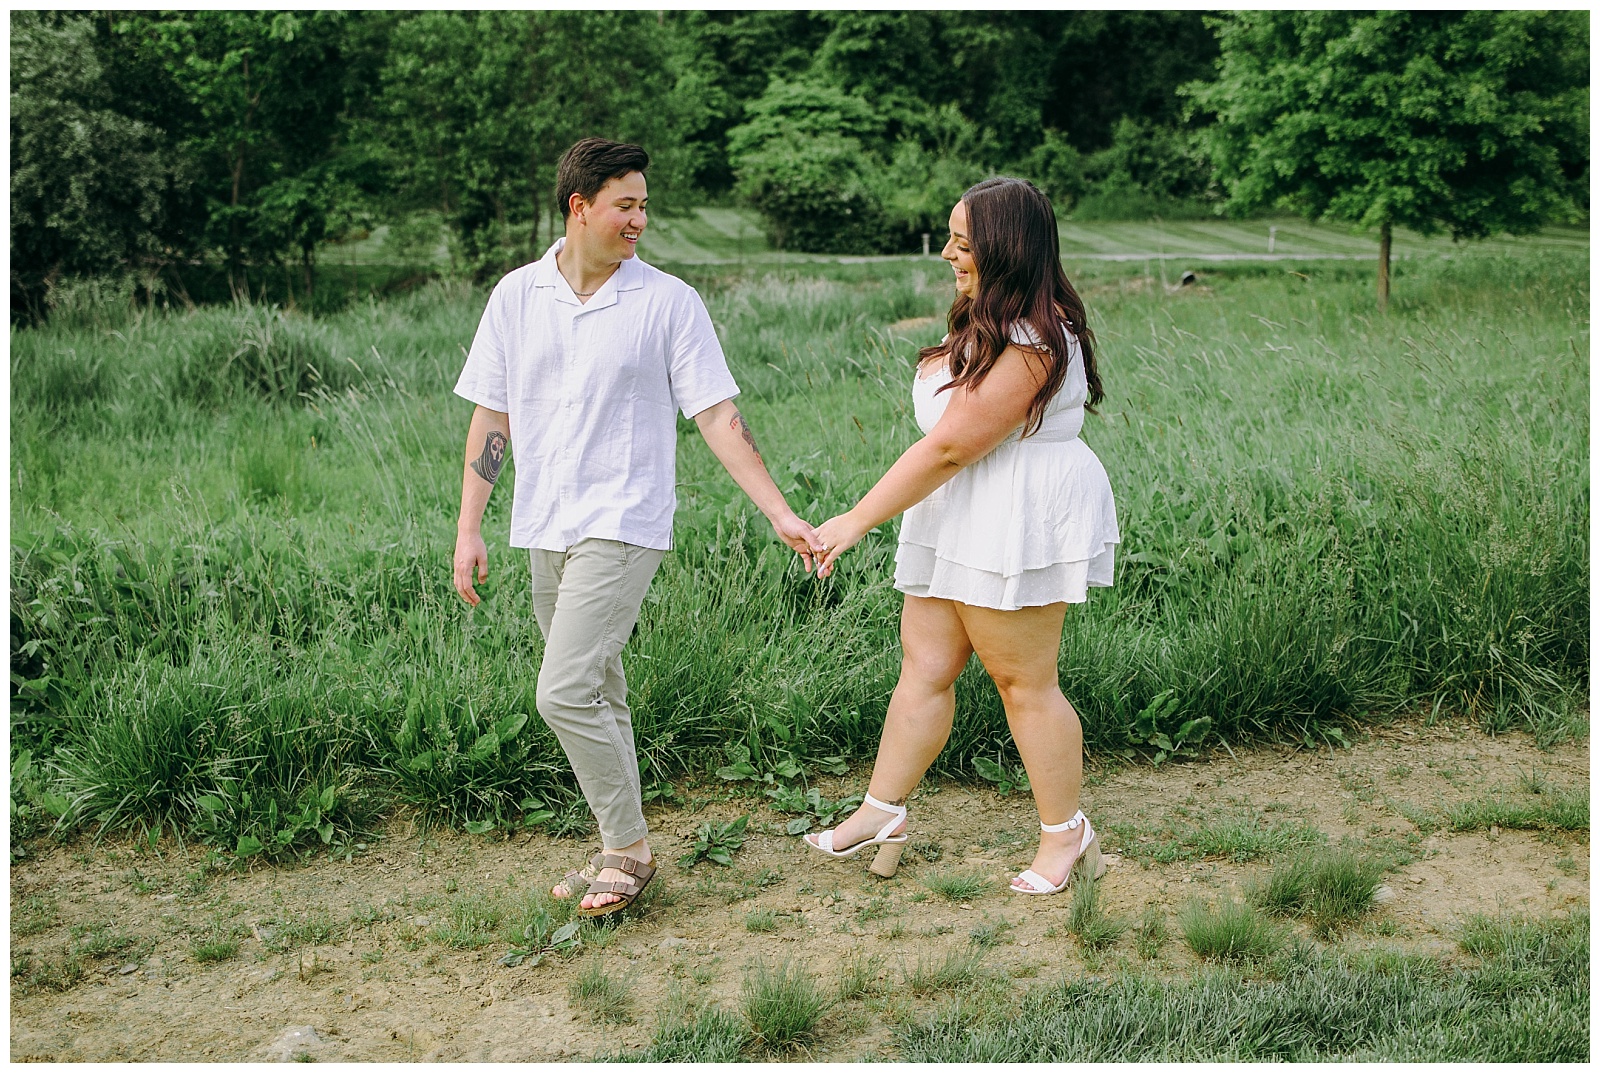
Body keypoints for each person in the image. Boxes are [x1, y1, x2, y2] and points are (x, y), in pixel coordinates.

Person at [452, 137, 822, 916]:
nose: (640, 221)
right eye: (627, 205)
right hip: (543, 522)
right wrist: (469, 528)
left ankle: (630, 846)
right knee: (600, 688)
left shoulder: (667, 302)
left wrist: (781, 512)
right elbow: (494, 414)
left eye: (645, 206)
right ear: (579, 207)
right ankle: (620, 844)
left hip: (624, 521)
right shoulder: (516, 297)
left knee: (562, 690)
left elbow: (718, 415)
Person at [807, 177, 1119, 895]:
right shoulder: (985, 315)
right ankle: (881, 812)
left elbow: (950, 446)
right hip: (961, 508)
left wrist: (854, 520)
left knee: (1023, 683)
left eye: (965, 241)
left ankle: (1065, 835)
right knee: (925, 666)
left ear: (1007, 250)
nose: (949, 251)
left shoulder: (1038, 339)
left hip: (1016, 514)